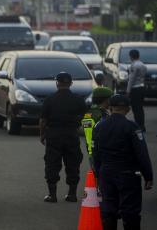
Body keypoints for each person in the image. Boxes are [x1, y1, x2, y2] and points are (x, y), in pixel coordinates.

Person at [92, 95, 153, 230]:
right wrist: (148, 176)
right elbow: (142, 153)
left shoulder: (99, 126)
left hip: (106, 172)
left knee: (108, 211)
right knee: (130, 211)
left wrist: (98, 173)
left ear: (110, 108)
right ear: (128, 109)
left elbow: (95, 153)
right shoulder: (132, 127)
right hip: (128, 173)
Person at [39, 72, 87, 203]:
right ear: (71, 83)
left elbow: (43, 120)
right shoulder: (78, 99)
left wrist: (42, 135)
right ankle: (72, 194)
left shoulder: (50, 99)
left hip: (54, 134)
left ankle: (52, 195)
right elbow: (84, 115)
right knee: (73, 163)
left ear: (57, 83)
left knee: (52, 163)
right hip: (71, 134)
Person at [82, 87, 113, 165]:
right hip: (100, 152)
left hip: (94, 150)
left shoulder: (90, 112)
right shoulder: (98, 114)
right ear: (106, 100)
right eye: (110, 99)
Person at [127, 49, 147, 132]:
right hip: (142, 87)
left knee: (136, 108)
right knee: (140, 108)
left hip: (135, 89)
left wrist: (128, 90)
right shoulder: (143, 65)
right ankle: (142, 125)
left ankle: (138, 126)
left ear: (131, 56)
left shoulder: (134, 66)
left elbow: (131, 79)